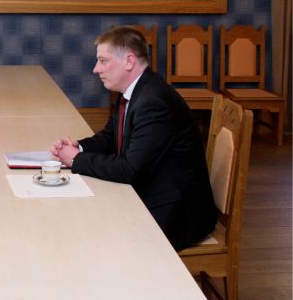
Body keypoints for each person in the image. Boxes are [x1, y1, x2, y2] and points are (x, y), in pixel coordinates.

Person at [50, 27, 216, 250]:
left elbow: (130, 169)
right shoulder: (135, 91)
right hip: (155, 192)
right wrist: (78, 147)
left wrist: (76, 159)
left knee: (89, 231)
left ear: (129, 61)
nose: (96, 69)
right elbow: (111, 136)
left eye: (103, 61)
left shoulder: (153, 102)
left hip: (175, 213)